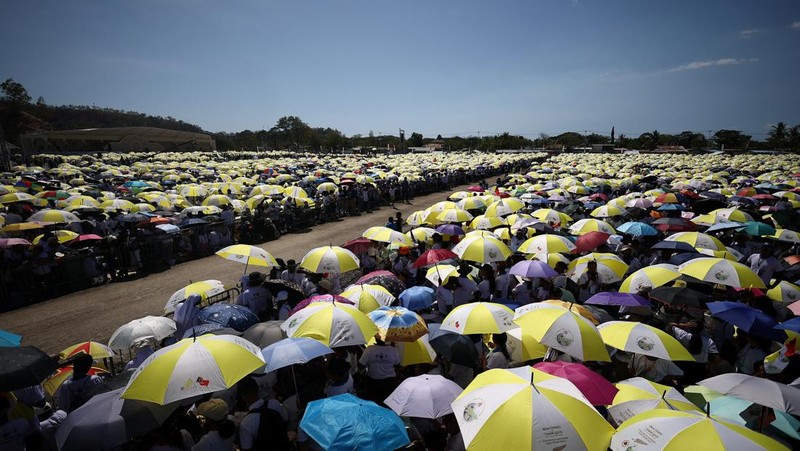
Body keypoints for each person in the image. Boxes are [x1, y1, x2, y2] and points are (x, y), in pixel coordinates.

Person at [236, 376, 291, 451]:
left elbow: (246, 448)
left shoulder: (246, 423)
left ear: (242, 396)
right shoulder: (275, 403)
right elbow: (285, 421)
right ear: (257, 389)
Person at [358, 338, 400, 405]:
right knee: (386, 404)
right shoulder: (393, 349)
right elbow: (397, 363)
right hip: (389, 381)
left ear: (375, 338)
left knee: (373, 403)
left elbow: (361, 364)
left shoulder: (370, 349)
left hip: (373, 381)